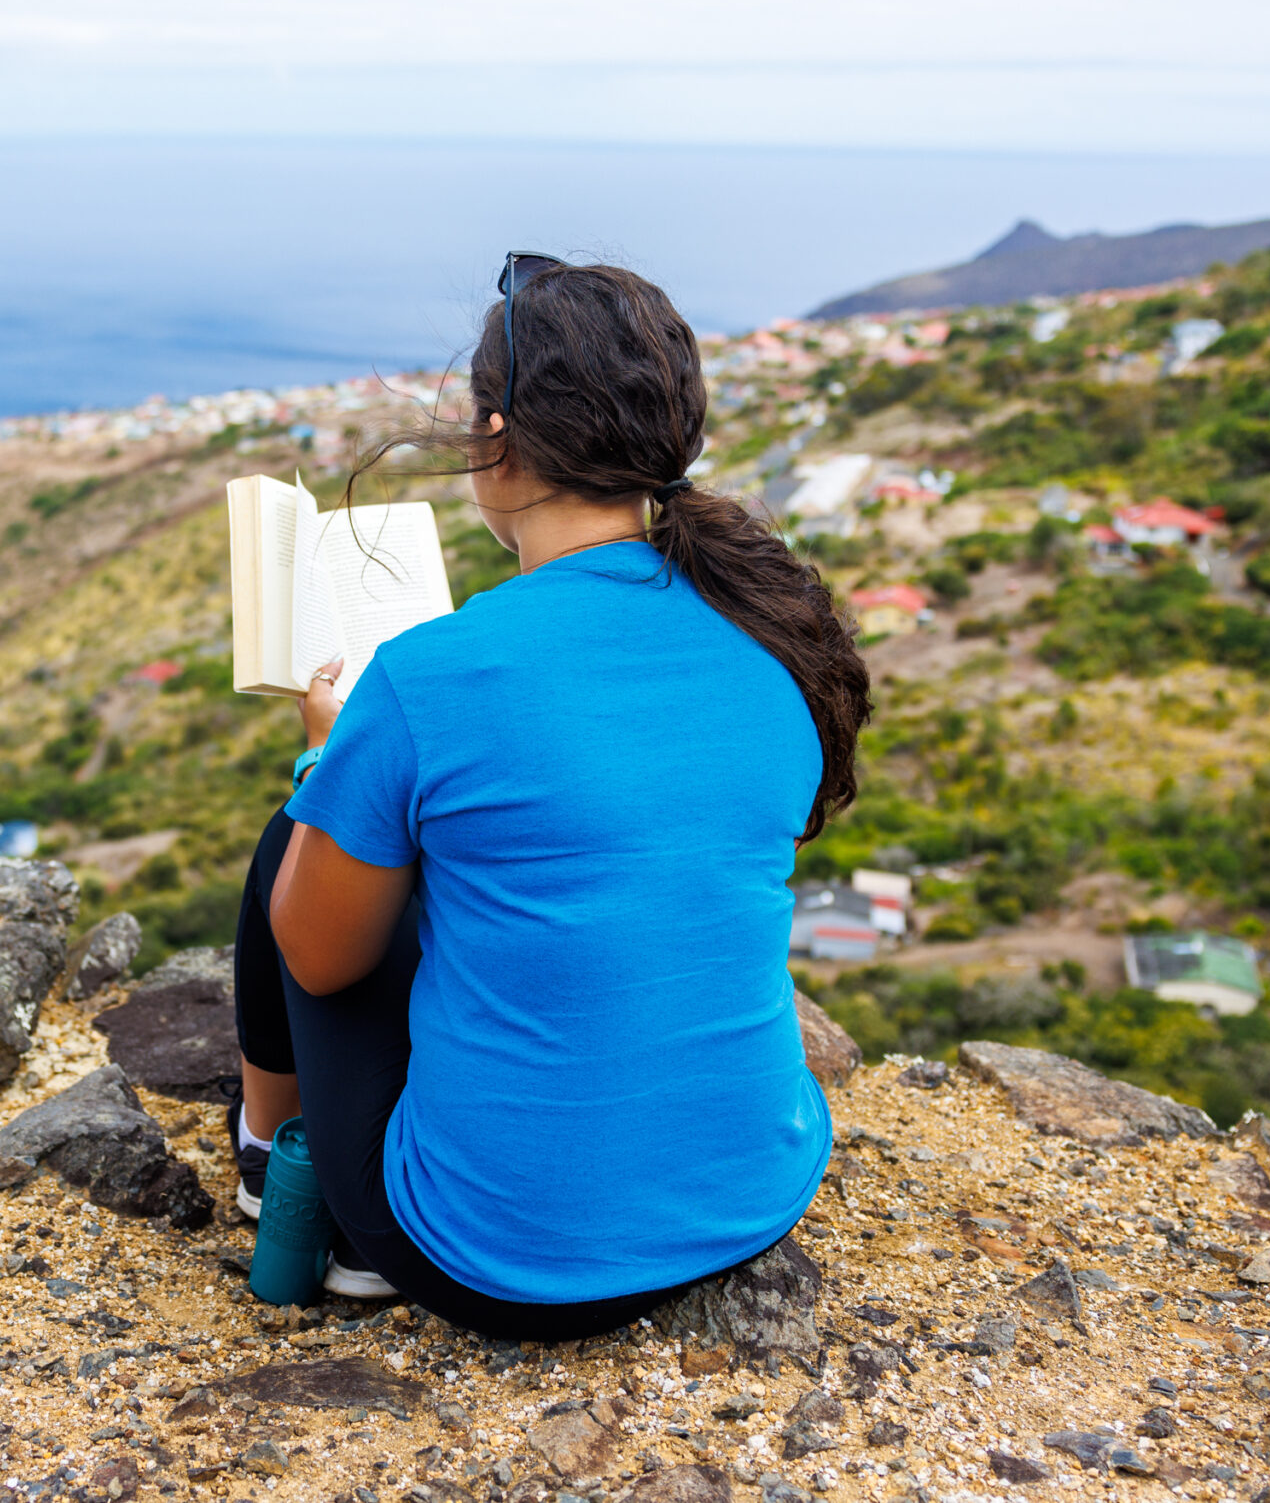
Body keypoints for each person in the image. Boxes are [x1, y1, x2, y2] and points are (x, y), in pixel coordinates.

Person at [227, 255, 871, 1339]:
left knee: (298, 838)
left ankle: (271, 1163)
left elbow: (321, 959)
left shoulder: (434, 672)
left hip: (490, 1259)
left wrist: (325, 765)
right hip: (748, 1201)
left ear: (494, 439)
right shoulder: (777, 642)